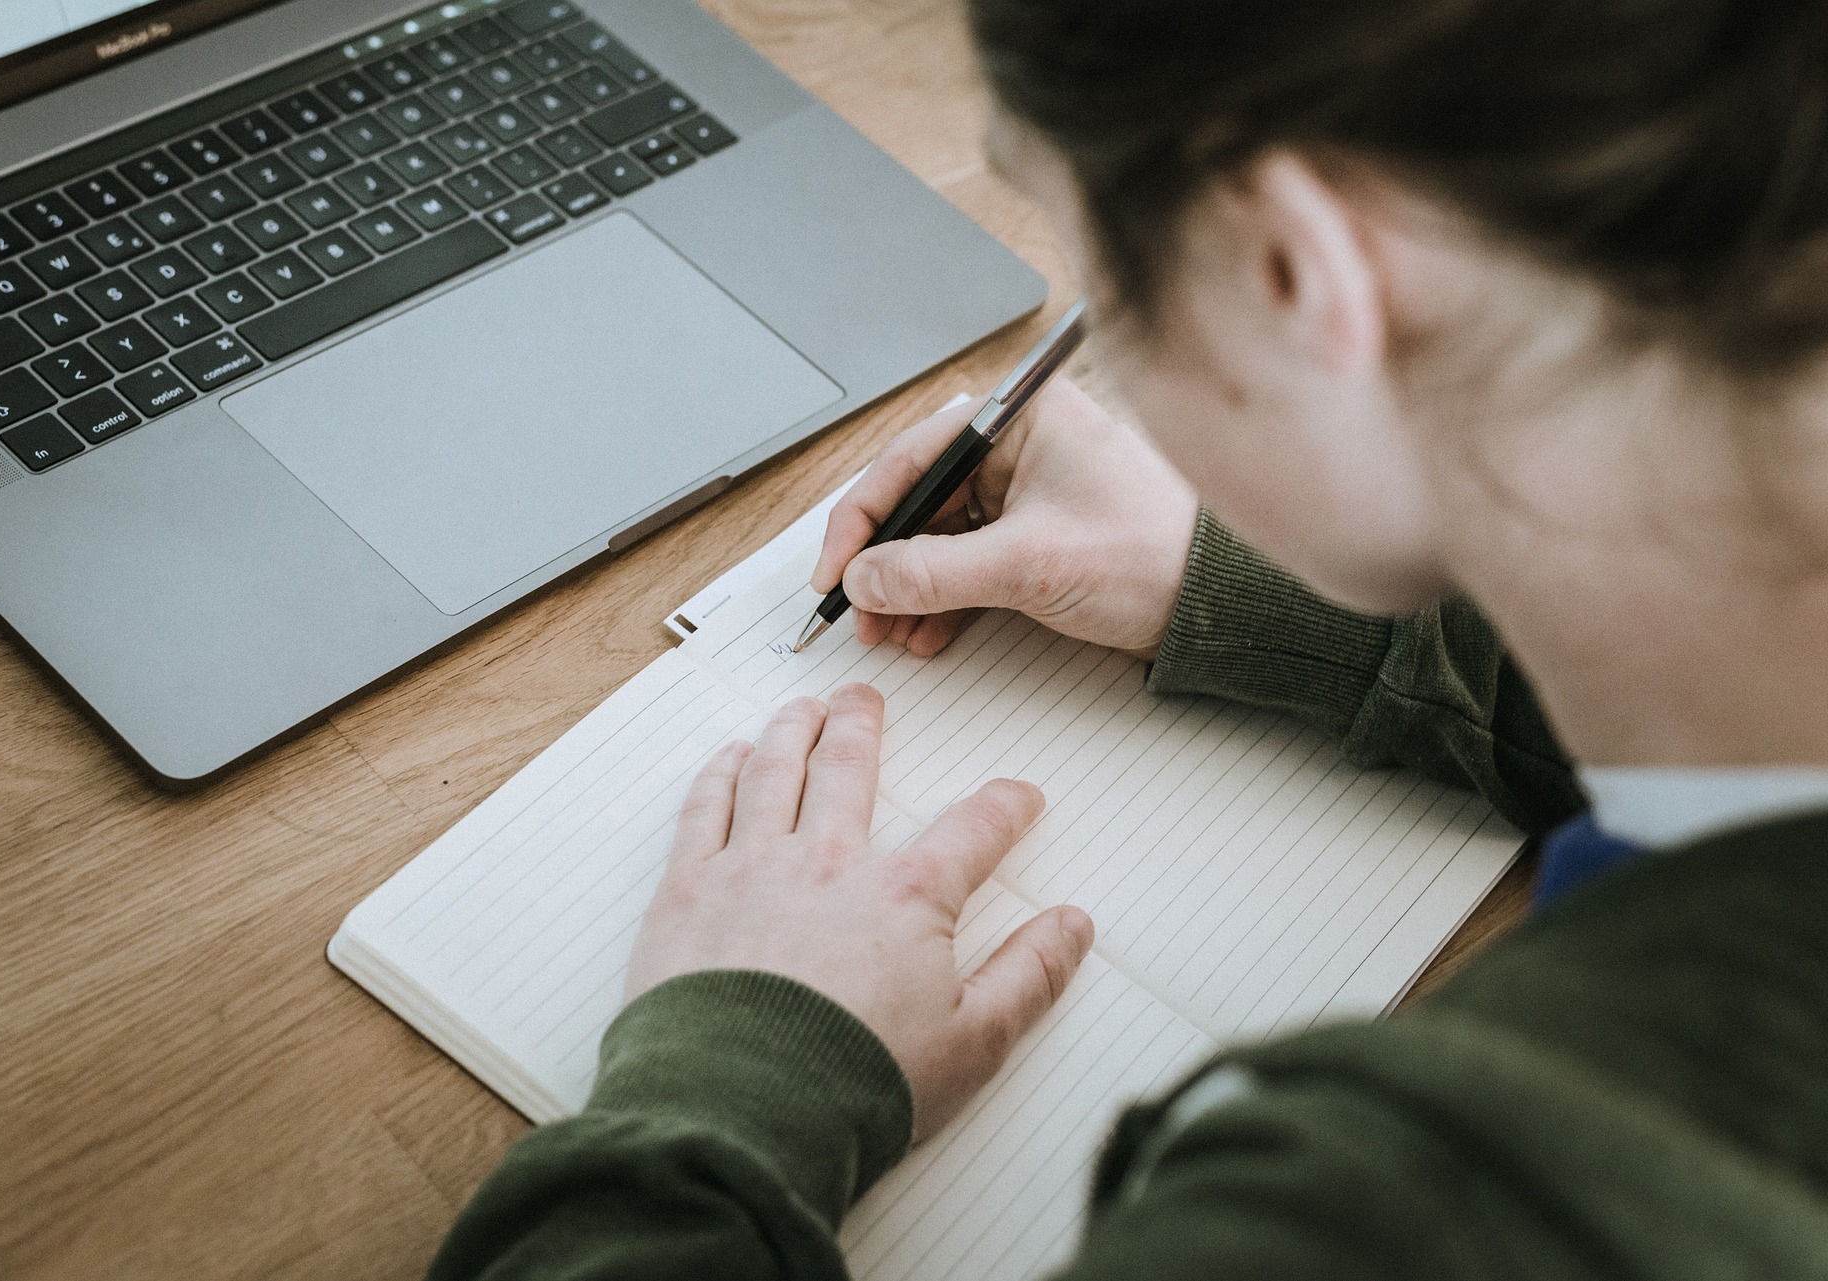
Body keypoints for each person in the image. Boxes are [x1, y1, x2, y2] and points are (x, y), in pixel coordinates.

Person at [428, 0, 1828, 1275]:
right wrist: (1283, 590)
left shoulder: (1382, 1215)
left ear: (1295, 275)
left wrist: (736, 1079)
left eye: (1082, 262)